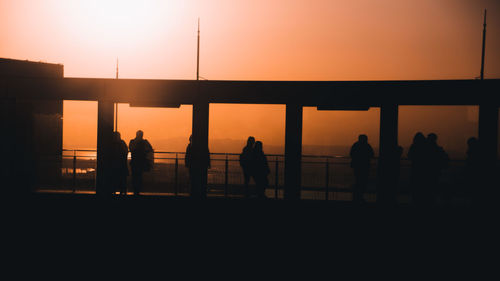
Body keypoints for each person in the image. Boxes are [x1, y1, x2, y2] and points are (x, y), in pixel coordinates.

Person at [349, 134, 374, 203]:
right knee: (363, 181)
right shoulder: (367, 146)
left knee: (358, 180)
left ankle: (357, 196)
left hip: (357, 166)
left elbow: (351, 154)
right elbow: (372, 154)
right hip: (365, 166)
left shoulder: (356, 145)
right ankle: (360, 196)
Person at [426, 133, 449, 204]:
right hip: (436, 170)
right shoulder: (437, 149)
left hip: (427, 171)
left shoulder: (425, 149)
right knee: (434, 185)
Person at [129, 130, 153, 196]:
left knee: (135, 177)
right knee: (139, 177)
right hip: (141, 162)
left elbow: (131, 149)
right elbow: (150, 149)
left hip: (134, 162)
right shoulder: (144, 142)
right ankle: (137, 190)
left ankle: (135, 190)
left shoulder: (132, 142)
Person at [408, 132, 428, 205]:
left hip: (415, 169)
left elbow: (409, 156)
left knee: (415, 188)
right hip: (424, 171)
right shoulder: (426, 147)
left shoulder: (414, 146)